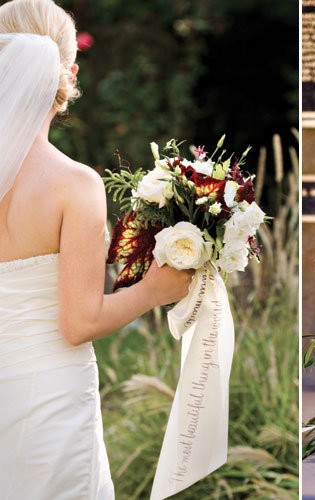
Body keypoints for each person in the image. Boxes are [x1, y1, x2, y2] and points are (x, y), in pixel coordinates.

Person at [0, 1, 193, 498]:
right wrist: (156, 288)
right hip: (46, 402)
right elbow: (79, 323)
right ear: (70, 73)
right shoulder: (73, 185)